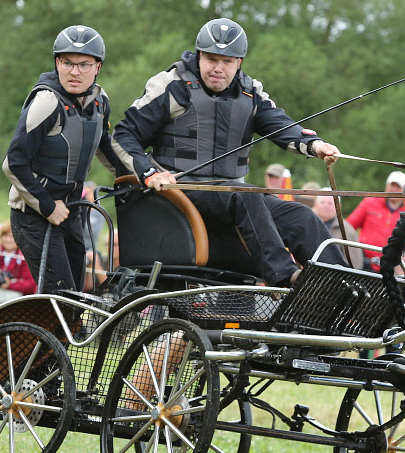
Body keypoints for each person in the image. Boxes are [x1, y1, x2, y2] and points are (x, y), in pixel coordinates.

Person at [111, 17, 347, 286]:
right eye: (211, 59)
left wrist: (314, 145)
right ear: (199, 55)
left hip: (232, 200)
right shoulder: (171, 85)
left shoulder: (250, 92)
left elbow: (281, 125)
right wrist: (150, 173)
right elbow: (123, 136)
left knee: (301, 216)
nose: (218, 68)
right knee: (246, 195)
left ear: (239, 62)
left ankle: (339, 285)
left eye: (227, 61)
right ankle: (285, 278)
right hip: (179, 196)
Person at [3, 25, 123, 293]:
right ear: (57, 62)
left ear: (97, 67)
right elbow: (13, 163)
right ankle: (40, 335)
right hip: (34, 215)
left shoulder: (100, 101)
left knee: (77, 294)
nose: (74, 71)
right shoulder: (47, 101)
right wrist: (47, 206)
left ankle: (60, 335)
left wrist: (134, 175)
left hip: (72, 211)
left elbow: (104, 146)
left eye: (83, 64)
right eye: (67, 62)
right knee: (60, 297)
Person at [346, 170, 405, 272]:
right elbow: (348, 227)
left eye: (398, 186)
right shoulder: (369, 202)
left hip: (393, 266)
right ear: (386, 186)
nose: (394, 189)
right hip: (363, 261)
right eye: (392, 185)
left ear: (404, 190)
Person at [0, 222, 37, 310]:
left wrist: (10, 284)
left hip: (18, 305)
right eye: (5, 236)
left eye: (12, 237)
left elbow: (31, 285)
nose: (8, 240)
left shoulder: (25, 255)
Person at [312, 189, 364, 268]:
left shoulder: (347, 231)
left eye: (330, 203)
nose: (325, 206)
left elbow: (355, 264)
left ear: (338, 206)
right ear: (315, 204)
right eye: (322, 202)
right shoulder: (308, 224)